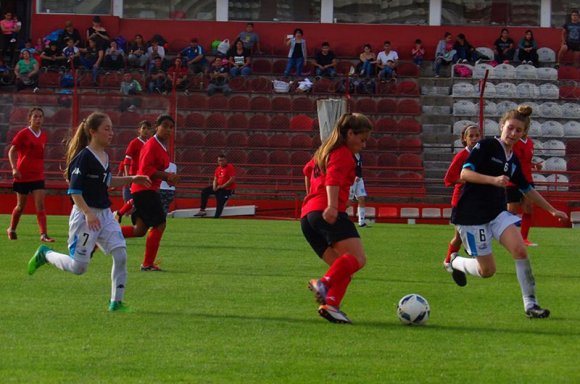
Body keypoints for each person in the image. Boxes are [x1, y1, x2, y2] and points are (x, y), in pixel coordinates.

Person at [447, 105, 568, 319]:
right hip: (472, 216)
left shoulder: (512, 159)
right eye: (510, 128)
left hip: (496, 213)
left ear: (524, 134)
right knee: (488, 271)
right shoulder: (486, 146)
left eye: (518, 131)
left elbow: (527, 188)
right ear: (502, 126)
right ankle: (455, 262)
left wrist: (552, 210)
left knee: (520, 251)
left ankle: (531, 305)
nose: (513, 133)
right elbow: (465, 174)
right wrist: (492, 180)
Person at [26, 112, 151, 312]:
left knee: (121, 255)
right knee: (79, 267)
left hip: (105, 215)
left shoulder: (105, 156)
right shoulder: (83, 157)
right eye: (106, 129)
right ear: (93, 132)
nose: (111, 133)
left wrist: (132, 178)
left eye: (111, 128)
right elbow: (74, 191)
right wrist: (88, 213)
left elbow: (107, 181)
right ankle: (45, 254)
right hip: (86, 218)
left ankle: (116, 303)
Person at [303, 113, 373, 324]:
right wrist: (333, 204)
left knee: (342, 269)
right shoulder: (342, 153)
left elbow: (307, 171)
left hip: (308, 216)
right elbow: (332, 179)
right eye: (362, 139)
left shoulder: (323, 151)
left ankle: (331, 305)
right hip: (327, 211)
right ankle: (324, 284)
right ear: (350, 133)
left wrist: (312, 198)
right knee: (358, 259)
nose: (364, 145)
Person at [120, 115, 180, 272]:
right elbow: (145, 170)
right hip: (144, 189)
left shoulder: (160, 145)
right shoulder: (152, 145)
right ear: (157, 127)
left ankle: (102, 235)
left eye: (171, 127)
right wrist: (167, 176)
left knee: (139, 230)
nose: (168, 130)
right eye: (165, 126)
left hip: (145, 189)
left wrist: (169, 178)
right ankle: (147, 264)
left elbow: (155, 170)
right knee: (160, 223)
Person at [7, 108, 54, 242]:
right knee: (21, 206)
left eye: (40, 117)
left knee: (40, 205)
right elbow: (12, 151)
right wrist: (14, 169)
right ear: (30, 119)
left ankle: (43, 234)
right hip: (23, 175)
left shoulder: (43, 135)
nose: (38, 119)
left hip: (38, 175)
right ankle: (12, 229)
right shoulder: (23, 133)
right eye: (35, 117)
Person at [442, 124, 481, 268]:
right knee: (466, 233)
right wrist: (467, 179)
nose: (475, 138)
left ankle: (448, 261)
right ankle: (474, 258)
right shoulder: (462, 155)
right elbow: (449, 178)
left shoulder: (481, 154)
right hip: (461, 200)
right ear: (464, 139)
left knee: (459, 237)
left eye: (477, 135)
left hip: (475, 200)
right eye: (471, 136)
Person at [507, 126, 543, 247]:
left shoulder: (530, 142)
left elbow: (525, 161)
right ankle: (509, 238)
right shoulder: (514, 141)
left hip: (527, 180)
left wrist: (534, 166)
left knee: (528, 208)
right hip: (513, 181)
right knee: (511, 211)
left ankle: (524, 239)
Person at [194, 154, 236, 218]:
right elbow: (215, 179)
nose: (221, 162)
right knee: (205, 191)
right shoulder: (218, 169)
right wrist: (214, 186)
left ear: (226, 161)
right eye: (219, 161)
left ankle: (216, 217)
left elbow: (232, 179)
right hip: (218, 187)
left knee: (220, 202)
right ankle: (202, 210)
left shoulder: (229, 167)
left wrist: (222, 186)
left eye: (222, 160)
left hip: (227, 189)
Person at [348, 153, 368, 227]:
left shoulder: (360, 154)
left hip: (359, 179)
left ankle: (361, 222)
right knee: (348, 202)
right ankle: (337, 218)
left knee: (362, 198)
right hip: (352, 179)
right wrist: (352, 176)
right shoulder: (349, 155)